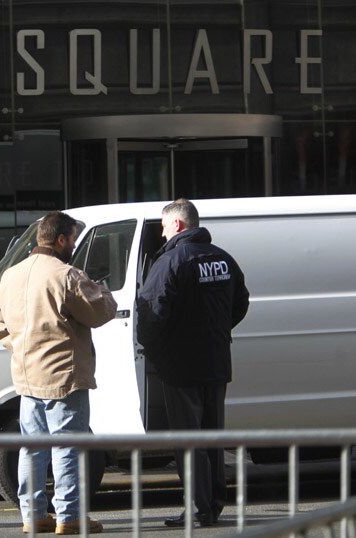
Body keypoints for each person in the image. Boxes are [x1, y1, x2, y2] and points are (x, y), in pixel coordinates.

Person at [0, 211, 117, 535]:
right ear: (61, 239)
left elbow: (0, 326)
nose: (74, 244)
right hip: (64, 377)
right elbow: (99, 312)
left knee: (32, 448)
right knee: (67, 447)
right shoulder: (66, 275)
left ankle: (33, 515)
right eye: (73, 238)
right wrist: (104, 291)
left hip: (27, 377)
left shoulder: (11, 275)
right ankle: (70, 515)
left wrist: (21, 351)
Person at [136, 199, 250, 528]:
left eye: (163, 225)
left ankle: (198, 508)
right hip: (215, 361)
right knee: (213, 436)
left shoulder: (172, 260)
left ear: (179, 226)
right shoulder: (223, 258)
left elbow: (152, 311)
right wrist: (217, 330)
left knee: (189, 438)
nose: (161, 231)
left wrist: (155, 348)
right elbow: (241, 302)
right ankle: (213, 504)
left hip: (181, 365)